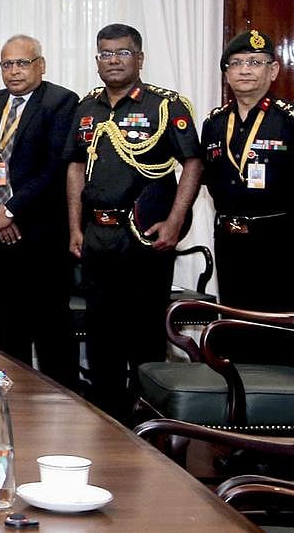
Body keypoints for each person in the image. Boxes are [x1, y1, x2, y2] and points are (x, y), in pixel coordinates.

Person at [65, 23, 202, 421]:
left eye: (122, 53)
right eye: (105, 54)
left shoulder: (165, 105)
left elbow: (193, 162)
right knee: (101, 332)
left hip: (144, 237)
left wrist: (176, 221)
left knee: (143, 334)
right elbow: (75, 167)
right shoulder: (87, 107)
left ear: (139, 58)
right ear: (97, 60)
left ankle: (148, 424)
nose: (113, 61)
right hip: (98, 235)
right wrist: (75, 226)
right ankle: (108, 421)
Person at [0, 35, 79, 387]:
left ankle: (62, 400)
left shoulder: (61, 102)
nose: (14, 71)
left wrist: (10, 211)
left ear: (40, 65)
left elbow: (55, 168)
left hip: (41, 232)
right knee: (10, 322)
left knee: (50, 324)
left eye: (22, 63)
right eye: (7, 64)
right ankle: (14, 396)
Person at [201, 30, 294, 312]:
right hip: (229, 240)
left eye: (255, 62)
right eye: (236, 63)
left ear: (274, 70)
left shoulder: (288, 120)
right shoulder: (214, 123)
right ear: (226, 74)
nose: (244, 70)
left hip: (279, 240)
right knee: (234, 319)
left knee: (277, 324)